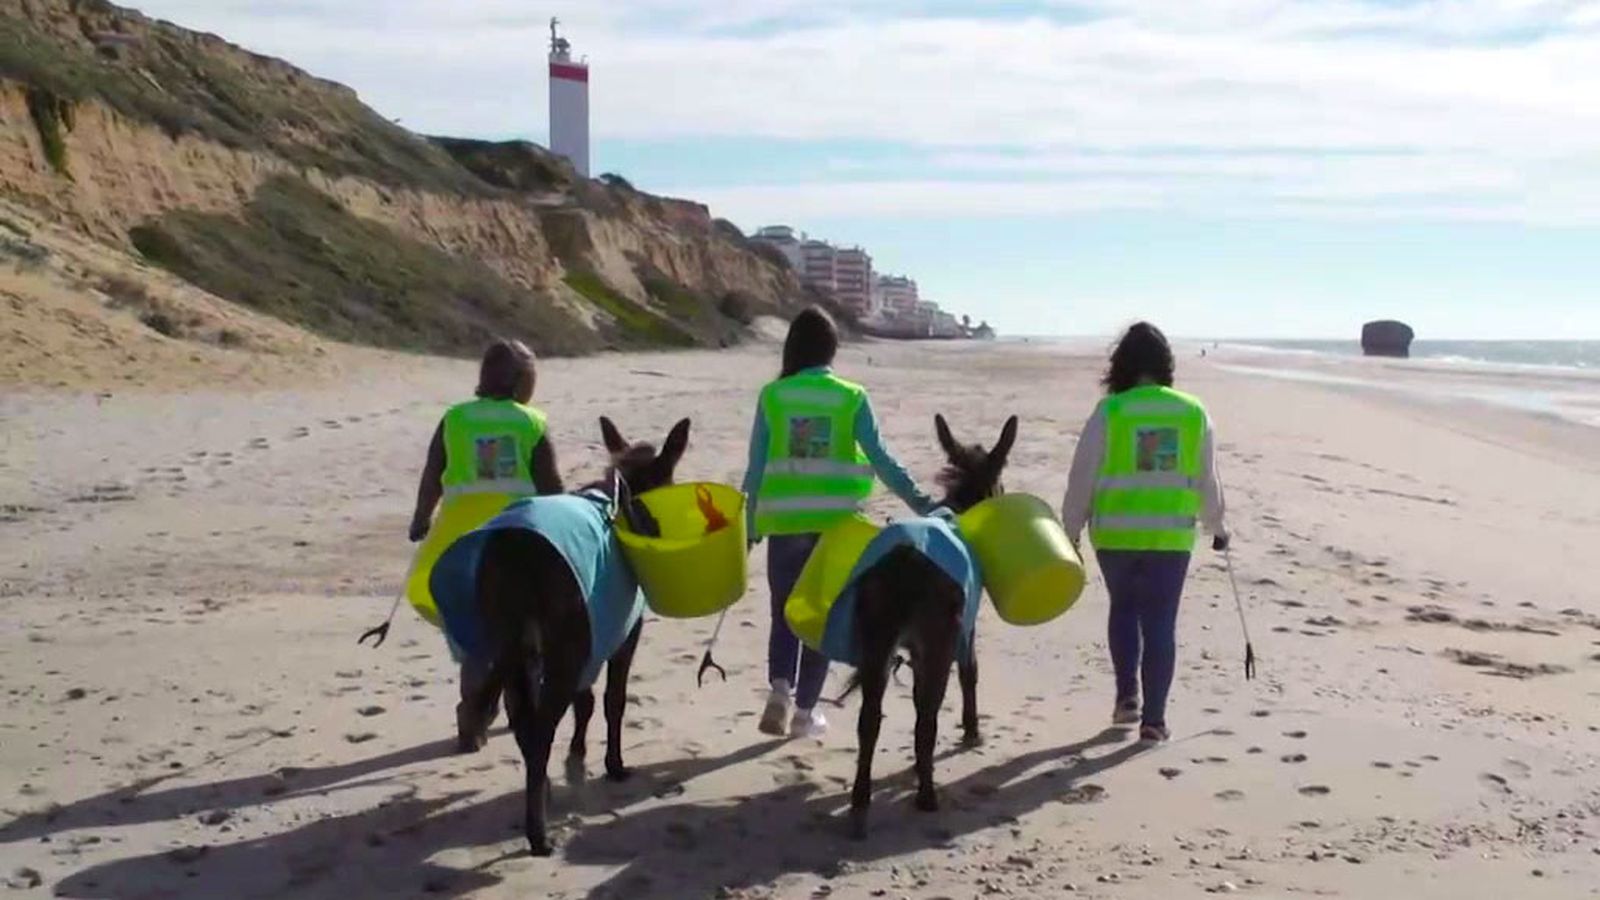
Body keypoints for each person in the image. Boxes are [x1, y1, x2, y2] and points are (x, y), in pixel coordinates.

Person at [741, 307, 934, 739]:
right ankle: (806, 712)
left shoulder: (773, 396)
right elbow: (883, 460)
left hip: (785, 525)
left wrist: (749, 526)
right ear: (833, 349)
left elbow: (755, 470)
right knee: (819, 619)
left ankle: (778, 692)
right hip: (835, 531)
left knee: (782, 614)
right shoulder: (851, 396)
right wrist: (922, 503)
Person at [1061, 322, 1229, 744]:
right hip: (1169, 540)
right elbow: (1207, 479)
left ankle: (1126, 699)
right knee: (1159, 623)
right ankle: (1154, 722)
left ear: (1121, 364)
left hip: (1115, 536)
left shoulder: (1111, 411)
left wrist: (1071, 528)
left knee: (1123, 610)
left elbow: (1082, 475)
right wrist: (1218, 526)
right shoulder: (1192, 411)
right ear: (1165, 364)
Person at [409, 339, 564, 750]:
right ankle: (520, 712)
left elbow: (432, 474)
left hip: (459, 548)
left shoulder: (455, 420)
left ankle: (472, 719)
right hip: (517, 546)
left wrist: (421, 520)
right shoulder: (531, 423)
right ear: (518, 382)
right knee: (527, 634)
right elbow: (551, 488)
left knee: (474, 637)